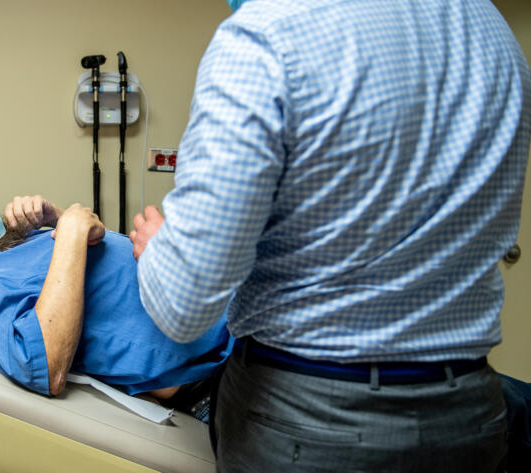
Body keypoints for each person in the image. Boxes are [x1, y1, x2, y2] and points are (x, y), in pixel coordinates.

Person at [130, 0, 530, 471]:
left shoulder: (269, 32)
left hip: (312, 423)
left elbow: (183, 305)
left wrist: (160, 250)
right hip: (469, 417)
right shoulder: (494, 34)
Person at [0, 170, 232, 417]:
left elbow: (96, 278)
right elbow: (42, 365)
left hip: (236, 323)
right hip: (221, 376)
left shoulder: (8, 248)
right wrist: (69, 230)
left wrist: (54, 222)